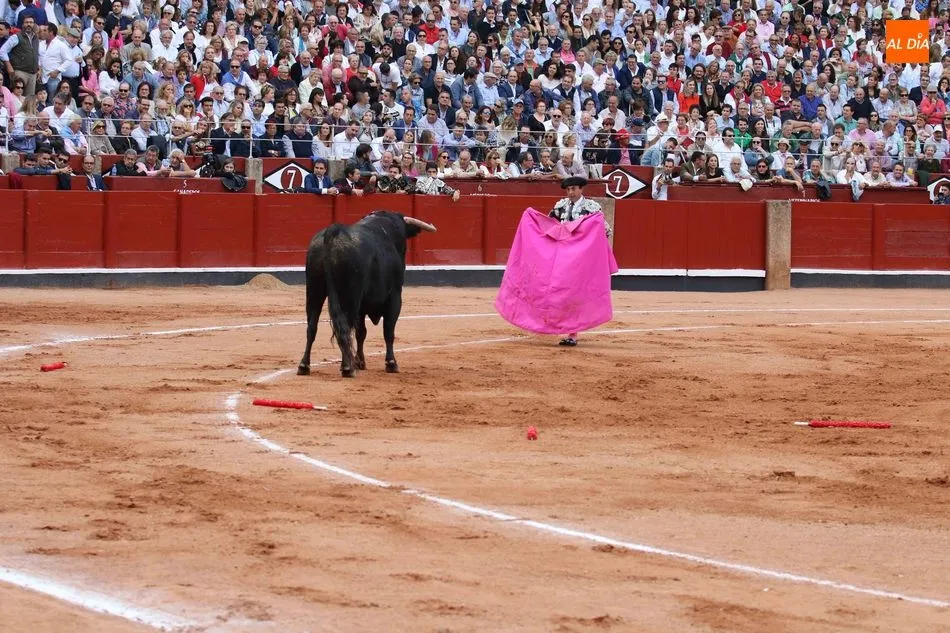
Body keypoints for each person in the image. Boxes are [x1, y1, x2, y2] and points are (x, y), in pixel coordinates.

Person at [548, 176, 608, 347]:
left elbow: (605, 230)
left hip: (582, 259)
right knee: (560, 292)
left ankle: (572, 333)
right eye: (568, 189)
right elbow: (549, 226)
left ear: (581, 189)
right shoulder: (560, 207)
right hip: (563, 257)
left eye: (573, 189)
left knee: (575, 295)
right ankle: (559, 326)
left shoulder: (592, 208)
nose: (570, 192)